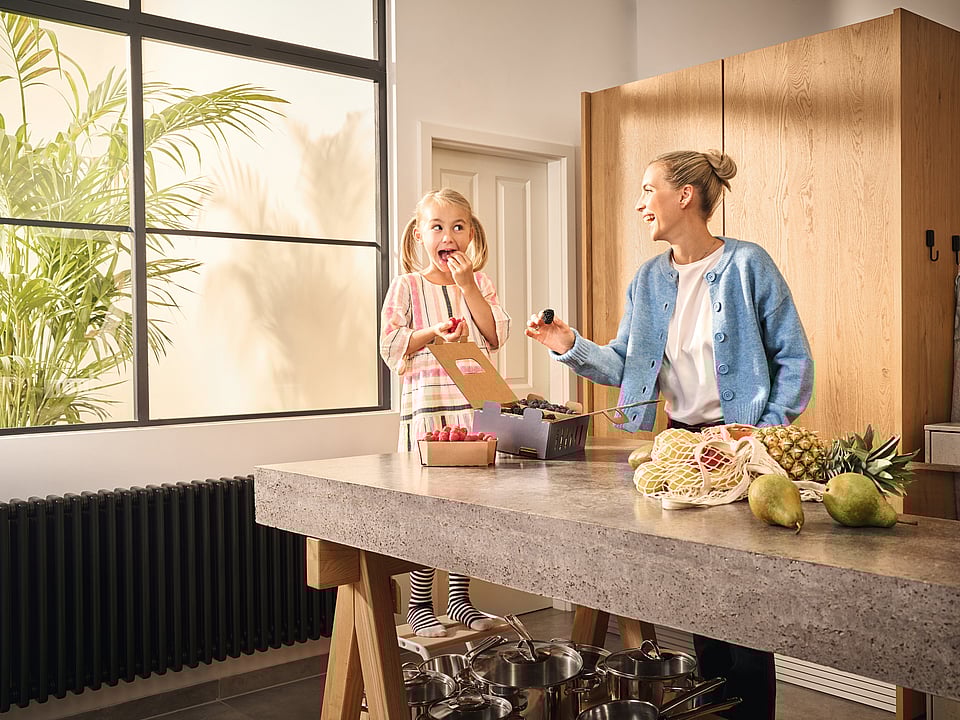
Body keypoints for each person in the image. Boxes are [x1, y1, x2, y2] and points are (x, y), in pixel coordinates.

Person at [525, 150, 813, 720]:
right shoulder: (650, 278)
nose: (639, 203)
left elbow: (794, 359)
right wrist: (568, 344)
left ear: (684, 195)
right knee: (705, 600)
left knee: (745, 605)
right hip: (681, 450)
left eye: (647, 189)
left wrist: (763, 434)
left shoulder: (749, 265)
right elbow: (628, 366)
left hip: (744, 449)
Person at [380, 188, 510, 638]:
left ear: (470, 233)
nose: (448, 235)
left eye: (458, 226)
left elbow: (493, 336)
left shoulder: (481, 283)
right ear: (420, 234)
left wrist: (469, 286)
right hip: (428, 414)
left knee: (469, 507)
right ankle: (419, 603)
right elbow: (390, 343)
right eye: (437, 226)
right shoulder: (408, 286)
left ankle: (458, 600)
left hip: (472, 413)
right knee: (428, 509)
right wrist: (429, 333)